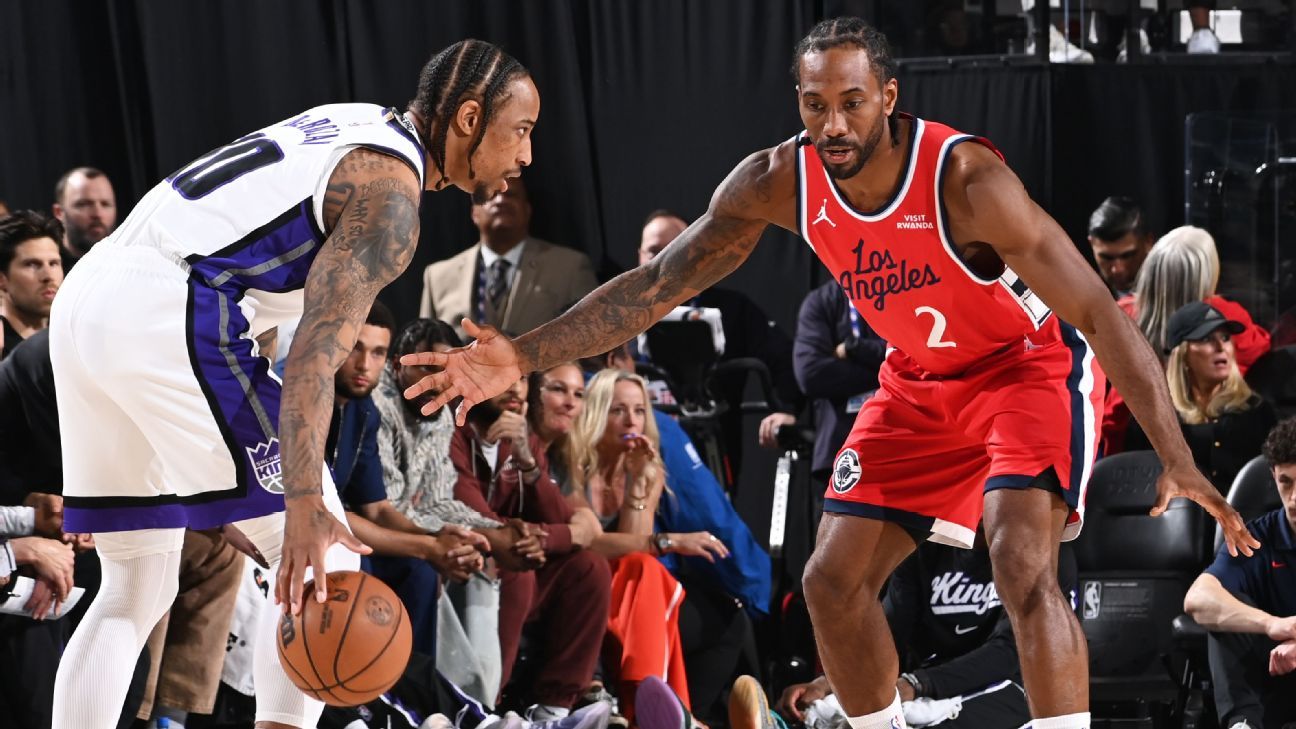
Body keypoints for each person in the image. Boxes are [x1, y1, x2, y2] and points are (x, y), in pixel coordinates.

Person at [403, 19, 1256, 729]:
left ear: (889, 96)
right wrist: (522, 352)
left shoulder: (967, 180)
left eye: (852, 102)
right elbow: (657, 283)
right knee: (829, 581)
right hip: (919, 380)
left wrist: (1175, 453)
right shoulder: (781, 180)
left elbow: (1101, 312)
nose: (835, 124)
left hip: (1022, 368)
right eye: (816, 104)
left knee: (1017, 556)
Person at [48, 39, 547, 729]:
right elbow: (314, 356)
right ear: (469, 118)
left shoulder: (353, 121)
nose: (527, 154)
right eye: (521, 130)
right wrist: (304, 500)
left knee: (136, 583)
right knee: (327, 551)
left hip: (89, 302)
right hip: (174, 306)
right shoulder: (392, 199)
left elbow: (265, 313)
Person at [729, 536, 1078, 729]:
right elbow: (889, 629)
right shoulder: (926, 547)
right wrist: (828, 683)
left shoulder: (1041, 552)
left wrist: (917, 683)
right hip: (926, 682)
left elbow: (1010, 653)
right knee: (833, 711)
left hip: (1013, 688)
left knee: (916, 722)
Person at [327, 302, 489, 659]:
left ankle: (414, 688)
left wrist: (440, 539)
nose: (364, 364)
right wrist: (429, 546)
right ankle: (356, 689)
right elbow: (331, 512)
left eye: (376, 353)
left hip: (349, 529)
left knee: (419, 572)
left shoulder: (362, 409)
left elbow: (378, 509)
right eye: (355, 348)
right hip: (309, 531)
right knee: (362, 565)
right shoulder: (308, 397)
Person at [1184, 416, 1296, 729]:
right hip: (1274, 678)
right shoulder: (1257, 536)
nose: (1294, 499)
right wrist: (1273, 624)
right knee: (1226, 607)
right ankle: (1241, 724)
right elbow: (1197, 599)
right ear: (1273, 477)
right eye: (1286, 482)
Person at [420, 176, 598, 340]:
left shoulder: (570, 267)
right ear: (474, 213)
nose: (501, 201)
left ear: (527, 210)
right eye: (491, 196)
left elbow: (591, 338)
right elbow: (425, 344)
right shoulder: (437, 277)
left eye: (511, 195)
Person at [1125, 302, 1277, 491]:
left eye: (1225, 338)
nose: (1220, 347)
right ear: (1182, 355)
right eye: (1206, 339)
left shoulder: (1257, 411)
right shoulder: (1153, 418)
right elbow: (1137, 488)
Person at [0, 211, 64, 360]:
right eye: (32, 264)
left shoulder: (73, 342)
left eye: (53, 263)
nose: (48, 276)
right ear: (2, 279)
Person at [1086, 196, 1154, 298]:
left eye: (1127, 256)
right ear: (1092, 245)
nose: (1118, 269)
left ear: (1149, 241)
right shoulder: (1081, 295)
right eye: (1106, 258)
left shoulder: (1173, 289)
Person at [50, 167, 117, 267]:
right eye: (84, 204)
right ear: (59, 212)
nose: (98, 214)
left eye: (105, 204)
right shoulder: (48, 267)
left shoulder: (129, 264)